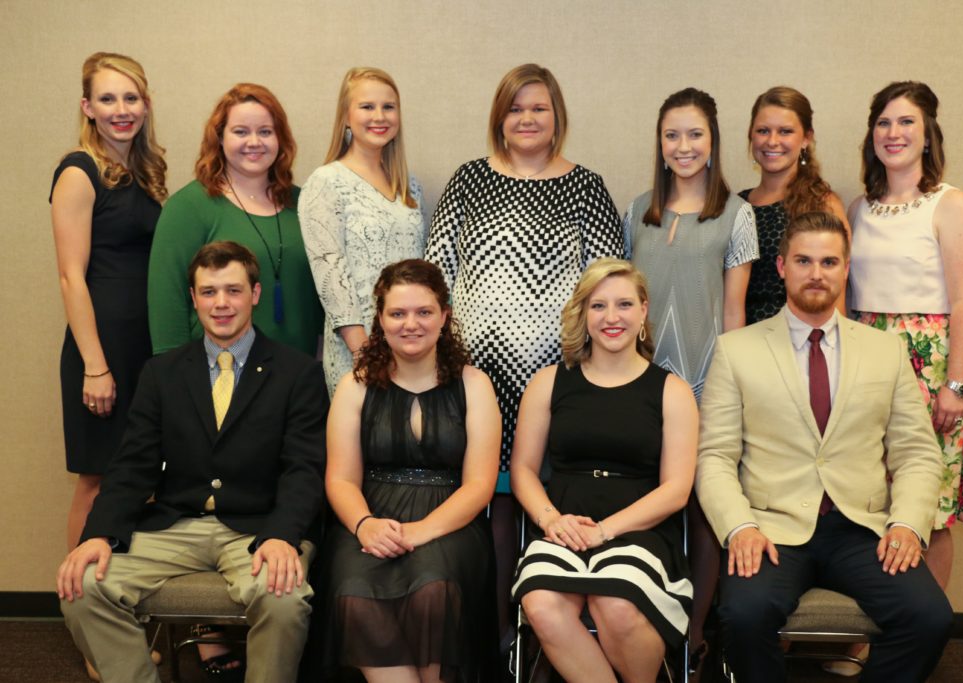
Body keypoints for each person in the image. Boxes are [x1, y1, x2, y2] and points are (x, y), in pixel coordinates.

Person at [696, 212, 953, 683]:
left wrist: (907, 526)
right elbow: (713, 457)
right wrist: (740, 528)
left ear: (846, 267)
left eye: (829, 261)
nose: (817, 273)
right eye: (804, 260)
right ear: (781, 267)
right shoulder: (737, 350)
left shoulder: (885, 350)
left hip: (861, 528)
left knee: (929, 617)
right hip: (771, 531)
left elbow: (916, 453)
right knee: (745, 617)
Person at [57, 241, 328, 683]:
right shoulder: (161, 373)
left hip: (259, 528)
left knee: (283, 598)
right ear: (194, 298)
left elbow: (304, 468)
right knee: (83, 585)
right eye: (208, 292)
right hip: (175, 524)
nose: (221, 303)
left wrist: (282, 535)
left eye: (234, 290)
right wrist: (99, 535)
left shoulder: (297, 373)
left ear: (255, 294)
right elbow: (132, 466)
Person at [425, 63, 623, 646]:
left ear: (557, 116)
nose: (527, 118)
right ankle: (485, 629)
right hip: (473, 378)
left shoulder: (585, 186)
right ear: (499, 117)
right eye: (516, 108)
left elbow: (607, 282)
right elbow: (437, 275)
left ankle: (534, 626)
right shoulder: (468, 181)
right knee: (479, 495)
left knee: (534, 490)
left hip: (556, 378)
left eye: (538, 108)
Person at [510, 259, 696, 683]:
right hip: (563, 524)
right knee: (540, 601)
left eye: (624, 304)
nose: (612, 318)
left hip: (641, 530)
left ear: (644, 311)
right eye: (599, 306)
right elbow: (522, 468)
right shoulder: (549, 382)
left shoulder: (672, 391)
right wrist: (550, 520)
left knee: (615, 601)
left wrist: (604, 531)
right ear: (583, 313)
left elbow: (676, 490)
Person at [622, 87, 757, 669]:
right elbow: (618, 307)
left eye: (695, 134)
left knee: (702, 507)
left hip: (706, 385)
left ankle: (695, 633)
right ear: (659, 141)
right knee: (645, 498)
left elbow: (735, 313)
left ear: (713, 142)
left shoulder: (737, 214)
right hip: (640, 387)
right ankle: (643, 618)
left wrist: (729, 394)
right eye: (672, 135)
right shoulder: (637, 211)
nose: (684, 146)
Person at [320, 259, 501, 682]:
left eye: (423, 312)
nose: (411, 324)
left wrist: (423, 530)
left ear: (445, 316)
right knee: (354, 595)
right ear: (380, 320)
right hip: (367, 517)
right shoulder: (355, 386)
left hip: (451, 520)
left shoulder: (474, 385)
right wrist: (364, 525)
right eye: (397, 313)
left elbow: (480, 484)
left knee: (433, 590)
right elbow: (340, 479)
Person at [848, 81, 963, 595]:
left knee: (929, 508)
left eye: (906, 122)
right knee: (872, 500)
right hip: (868, 360)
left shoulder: (950, 205)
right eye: (883, 122)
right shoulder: (859, 208)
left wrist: (955, 384)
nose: (894, 133)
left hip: (930, 368)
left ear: (928, 134)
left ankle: (920, 633)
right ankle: (868, 634)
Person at [50, 50, 167, 682]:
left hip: (147, 351)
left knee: (140, 482)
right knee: (97, 481)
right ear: (87, 106)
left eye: (132, 98)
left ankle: (119, 616)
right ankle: (86, 632)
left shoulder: (143, 173)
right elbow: (72, 277)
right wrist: (96, 365)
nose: (122, 110)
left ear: (145, 106)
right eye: (109, 99)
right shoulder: (79, 171)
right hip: (102, 352)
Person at [149, 83, 322, 357]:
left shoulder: (305, 203)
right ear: (219, 138)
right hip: (217, 373)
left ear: (281, 139)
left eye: (265, 131)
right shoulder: (189, 207)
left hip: (298, 375)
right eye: (240, 132)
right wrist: (172, 377)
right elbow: (166, 301)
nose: (254, 142)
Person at [300, 67, 425, 396]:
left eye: (389, 106)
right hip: (356, 350)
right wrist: (364, 353)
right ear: (345, 116)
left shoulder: (408, 186)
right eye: (367, 106)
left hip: (411, 343)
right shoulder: (326, 182)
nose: (379, 116)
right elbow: (329, 275)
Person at [741, 86, 850, 324]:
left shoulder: (823, 204)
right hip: (745, 344)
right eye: (763, 131)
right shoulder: (736, 206)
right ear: (751, 135)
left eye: (785, 131)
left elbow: (837, 294)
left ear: (806, 138)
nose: (772, 141)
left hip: (802, 345)